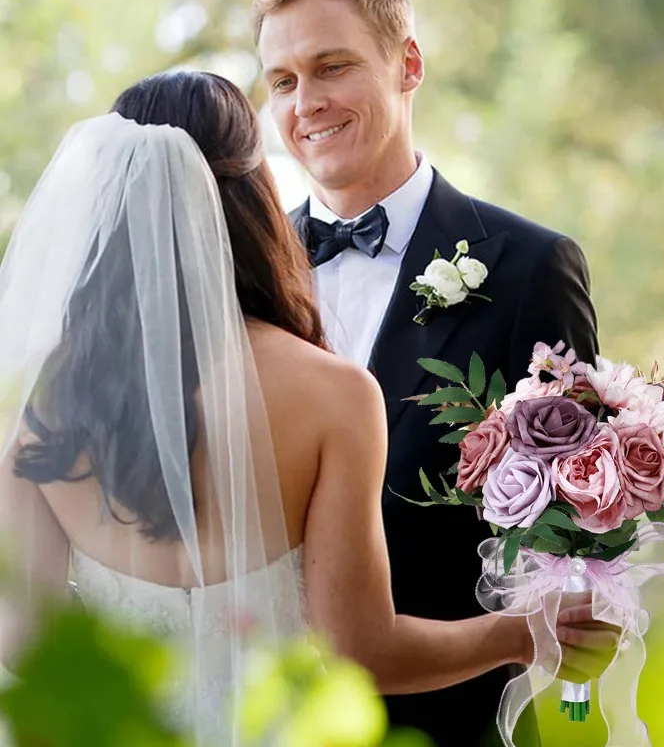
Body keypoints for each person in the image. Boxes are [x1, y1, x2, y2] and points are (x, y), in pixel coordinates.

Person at [0, 71, 607, 746]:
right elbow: (362, 651)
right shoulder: (333, 394)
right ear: (252, 191)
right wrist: (518, 634)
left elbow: (23, 644)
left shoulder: (36, 397)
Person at [252, 0, 613, 744]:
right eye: (281, 82)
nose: (306, 103)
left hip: (449, 719)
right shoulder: (233, 271)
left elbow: (579, 525)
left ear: (407, 63)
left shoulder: (527, 269)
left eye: (331, 67)